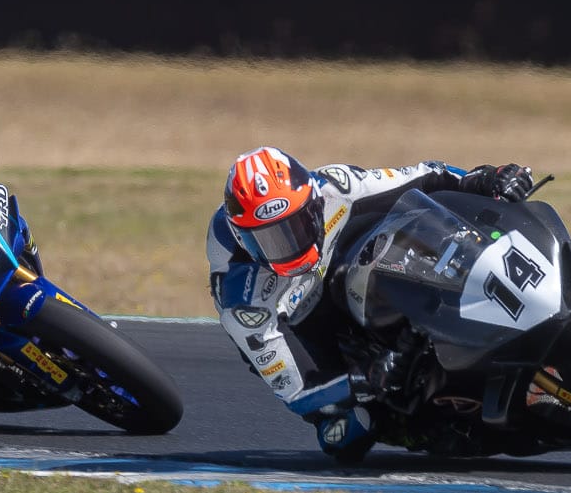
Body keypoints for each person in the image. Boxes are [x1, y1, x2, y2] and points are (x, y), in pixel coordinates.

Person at [207, 147, 534, 462]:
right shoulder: (242, 298)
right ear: (241, 238)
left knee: (417, 222)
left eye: (296, 226)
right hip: (297, 321)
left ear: (311, 201)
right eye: (270, 239)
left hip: (348, 265)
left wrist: (485, 179)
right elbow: (295, 389)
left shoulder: (334, 187)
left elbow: (423, 177)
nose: (290, 246)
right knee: (347, 432)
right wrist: (364, 379)